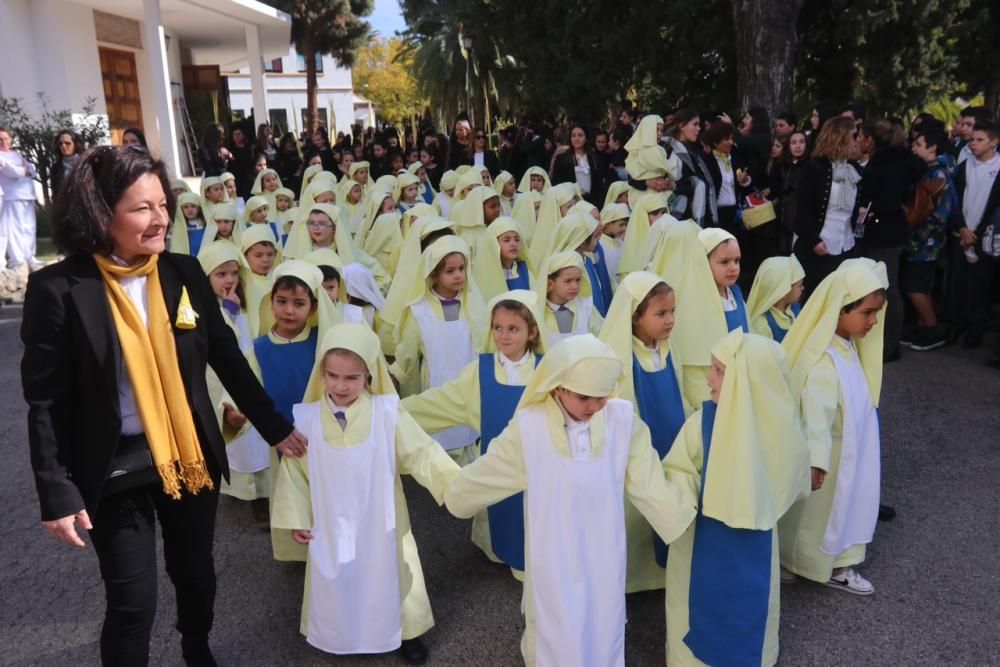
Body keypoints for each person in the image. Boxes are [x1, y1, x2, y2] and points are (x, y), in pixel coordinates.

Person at [21, 145, 306, 666]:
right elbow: (45, 399)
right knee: (132, 604)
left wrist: (274, 427)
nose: (161, 219)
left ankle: (197, 647)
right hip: (113, 463)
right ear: (100, 214)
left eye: (162, 204)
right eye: (142, 208)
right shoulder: (59, 289)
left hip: (187, 453)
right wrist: (55, 491)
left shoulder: (181, 272)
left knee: (196, 577)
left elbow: (224, 354)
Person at [443, 335, 696, 667]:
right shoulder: (529, 428)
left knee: (602, 617)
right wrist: (455, 495)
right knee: (555, 622)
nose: (594, 407)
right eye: (584, 397)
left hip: (603, 549)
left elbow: (650, 485)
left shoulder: (622, 421)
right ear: (558, 386)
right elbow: (488, 472)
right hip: (554, 551)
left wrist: (684, 513)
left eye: (602, 397)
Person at [271, 324, 460, 665]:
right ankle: (337, 633)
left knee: (394, 571)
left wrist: (456, 485)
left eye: (352, 378)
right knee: (336, 575)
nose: (341, 386)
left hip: (381, 515)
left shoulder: (387, 413)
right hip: (331, 519)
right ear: (321, 374)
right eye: (332, 376)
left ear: (369, 376)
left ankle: (406, 632)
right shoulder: (308, 419)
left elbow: (421, 452)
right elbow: (294, 473)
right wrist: (297, 516)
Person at [663, 330, 809, 667]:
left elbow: (788, 473)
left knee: (751, 606)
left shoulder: (774, 426)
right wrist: (682, 497)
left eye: (719, 371)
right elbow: (679, 467)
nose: (708, 378)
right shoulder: (701, 423)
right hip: (701, 537)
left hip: (753, 544)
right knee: (697, 604)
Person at [402, 291, 547, 573]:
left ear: (533, 332)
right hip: (496, 466)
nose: (503, 336)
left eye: (514, 329)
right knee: (497, 513)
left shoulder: (547, 372)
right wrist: (388, 413)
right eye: (497, 327)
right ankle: (493, 547)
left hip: (539, 470)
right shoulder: (479, 373)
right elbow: (439, 403)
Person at [779, 258, 888, 595]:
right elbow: (817, 417)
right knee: (821, 514)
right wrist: (817, 460)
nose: (873, 321)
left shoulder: (849, 346)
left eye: (876, 313)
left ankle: (807, 560)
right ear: (840, 309)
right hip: (831, 458)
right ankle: (822, 564)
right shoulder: (824, 359)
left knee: (829, 512)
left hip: (849, 451)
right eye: (866, 313)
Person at [599, 273, 695, 592]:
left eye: (672, 312)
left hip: (672, 441)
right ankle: (634, 579)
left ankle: (662, 575)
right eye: (660, 314)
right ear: (634, 316)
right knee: (637, 514)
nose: (670, 321)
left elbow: (680, 390)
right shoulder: (619, 357)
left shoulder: (669, 349)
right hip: (639, 448)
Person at [793, 117, 862, 300]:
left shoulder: (853, 169)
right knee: (816, 299)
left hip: (847, 245)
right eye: (854, 136)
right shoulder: (814, 167)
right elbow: (803, 208)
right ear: (840, 137)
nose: (858, 140)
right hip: (820, 245)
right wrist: (814, 240)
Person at [948, 120, 1000, 351]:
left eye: (980, 140)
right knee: (957, 282)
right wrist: (962, 228)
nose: (974, 144)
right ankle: (955, 324)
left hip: (982, 237)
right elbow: (955, 201)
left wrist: (977, 233)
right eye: (972, 140)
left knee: (979, 286)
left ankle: (975, 329)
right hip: (961, 233)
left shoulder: (998, 168)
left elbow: (995, 206)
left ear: (994, 142)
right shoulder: (964, 167)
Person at [903, 125, 956, 351]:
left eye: (918, 144)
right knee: (920, 287)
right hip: (918, 241)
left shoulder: (938, 174)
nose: (913, 148)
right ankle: (924, 327)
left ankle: (932, 330)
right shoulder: (926, 170)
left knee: (915, 287)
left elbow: (941, 215)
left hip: (927, 242)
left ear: (933, 148)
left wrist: (914, 217)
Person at [0, 125, 41, 272]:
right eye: (0, 139)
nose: (4, 141)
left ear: (10, 139)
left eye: (6, 138)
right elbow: (12, 172)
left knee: (29, 228)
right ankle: (17, 260)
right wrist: (23, 170)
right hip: (12, 196)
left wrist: (24, 170)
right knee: (15, 230)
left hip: (27, 195)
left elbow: (32, 170)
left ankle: (30, 257)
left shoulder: (18, 154)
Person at [746, 255, 806, 342]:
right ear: (784, 290)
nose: (803, 288)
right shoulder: (762, 325)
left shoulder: (794, 309)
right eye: (799, 285)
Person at [769, 130, 810, 254]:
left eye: (801, 142)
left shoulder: (811, 167)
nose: (798, 146)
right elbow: (775, 190)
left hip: (800, 222)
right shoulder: (781, 166)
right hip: (781, 219)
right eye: (794, 142)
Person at [550, 124, 605, 207]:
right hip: (570, 203)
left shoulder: (594, 158)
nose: (576, 138)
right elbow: (556, 184)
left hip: (591, 202)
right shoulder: (562, 159)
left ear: (586, 138)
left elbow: (599, 185)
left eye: (580, 135)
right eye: (573, 135)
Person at [50, 130, 85, 197]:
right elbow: (55, 193)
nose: (63, 146)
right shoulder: (55, 168)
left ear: (75, 145)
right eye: (60, 144)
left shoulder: (85, 165)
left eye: (67, 143)